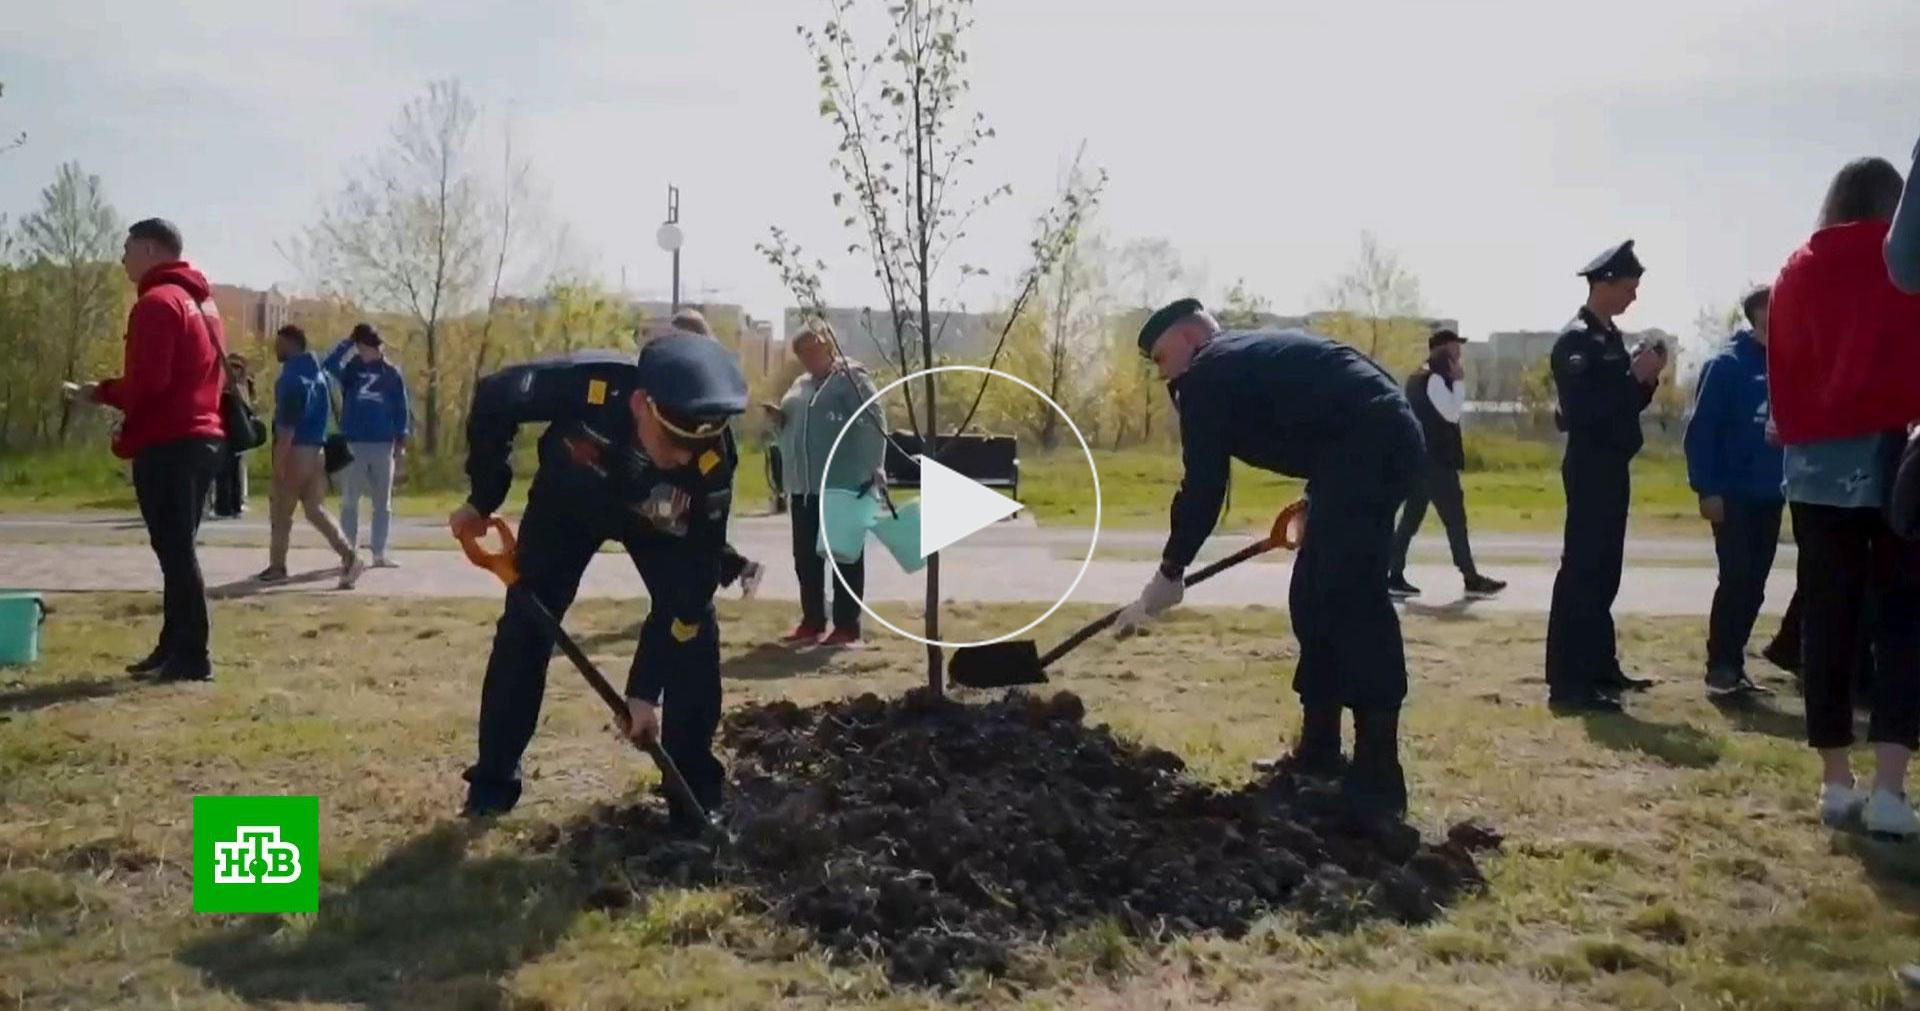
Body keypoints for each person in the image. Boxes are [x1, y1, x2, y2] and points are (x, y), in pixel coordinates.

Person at [1116, 298, 1423, 825]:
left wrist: (1170, 571)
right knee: (1312, 597)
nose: (1163, 376)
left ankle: (1378, 776)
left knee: (1353, 602)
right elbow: (1333, 401)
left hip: (1369, 449)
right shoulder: (1244, 356)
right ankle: (1319, 751)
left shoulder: (1207, 373)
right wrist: (1319, 495)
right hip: (1362, 447)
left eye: (1162, 359)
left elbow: (1204, 486)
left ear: (1188, 338)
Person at [448, 336, 747, 827]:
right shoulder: (590, 385)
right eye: (674, 443)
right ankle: (492, 785)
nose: (683, 459)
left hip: (658, 525)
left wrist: (644, 689)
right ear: (641, 404)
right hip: (568, 505)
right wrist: (484, 496)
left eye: (694, 449)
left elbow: (692, 585)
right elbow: (494, 397)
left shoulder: (711, 462)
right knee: (525, 627)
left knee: (694, 634)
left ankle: (694, 793)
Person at [1769, 156, 1920, 838]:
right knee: (1903, 620)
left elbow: (1784, 365)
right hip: (1896, 455)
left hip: (1815, 464)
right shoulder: (1905, 261)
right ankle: (1891, 787)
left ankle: (1835, 782)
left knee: (1827, 616)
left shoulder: (1796, 270)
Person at [70, 218, 226, 682]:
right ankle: (173, 645)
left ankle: (192, 654)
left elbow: (149, 382)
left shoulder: (157, 303)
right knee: (178, 549)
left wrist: (100, 392)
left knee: (175, 550)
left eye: (127, 248)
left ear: (151, 249)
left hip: (171, 440)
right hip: (203, 436)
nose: (122, 258)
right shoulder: (202, 303)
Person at [1543, 240, 1667, 714]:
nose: (1634, 296)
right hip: (1590, 465)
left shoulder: (1609, 337)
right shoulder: (1575, 341)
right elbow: (1582, 412)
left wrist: (1645, 380)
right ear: (1605, 284)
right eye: (1629, 287)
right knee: (1583, 569)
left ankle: (1599, 666)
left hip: (1613, 465)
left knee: (1605, 571)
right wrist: (1630, 378)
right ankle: (1569, 680)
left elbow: (1622, 405)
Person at [1684, 286, 1785, 700]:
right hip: (1733, 494)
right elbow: (1701, 432)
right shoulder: (1727, 365)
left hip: (1771, 492)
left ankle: (1735, 662)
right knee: (1736, 579)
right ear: (1758, 316)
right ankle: (1720, 667)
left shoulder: (1787, 361)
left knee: (1756, 583)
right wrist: (1707, 489)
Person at [769, 319, 886, 647]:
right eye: (801, 353)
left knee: (843, 557)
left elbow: (874, 421)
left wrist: (874, 467)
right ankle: (813, 621)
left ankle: (847, 626)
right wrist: (780, 420)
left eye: (812, 350)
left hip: (842, 484)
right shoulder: (801, 384)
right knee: (805, 558)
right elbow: (796, 425)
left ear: (828, 346)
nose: (807, 358)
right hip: (804, 486)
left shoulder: (851, 378)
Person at [1388, 328, 1505, 599]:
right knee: (1454, 519)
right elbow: (1451, 414)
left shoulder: (1420, 375)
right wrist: (1459, 382)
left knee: (1410, 521)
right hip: (1436, 462)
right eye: (1455, 345)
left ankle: (1392, 574)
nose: (1459, 351)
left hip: (1421, 460)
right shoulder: (1434, 378)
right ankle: (1470, 577)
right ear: (1442, 348)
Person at [261, 324, 364, 589]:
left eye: (280, 343)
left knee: (281, 512)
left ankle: (277, 567)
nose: (276, 348)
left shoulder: (292, 379)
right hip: (318, 451)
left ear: (292, 344)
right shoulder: (318, 375)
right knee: (315, 510)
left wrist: (279, 462)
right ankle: (350, 555)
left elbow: (287, 426)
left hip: (295, 450)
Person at [321, 323, 410, 568]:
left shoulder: (391, 373)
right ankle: (349, 552)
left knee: (382, 502)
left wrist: (401, 441)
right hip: (354, 442)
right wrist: (348, 342)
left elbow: (401, 409)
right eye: (362, 347)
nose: (367, 352)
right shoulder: (352, 370)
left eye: (370, 347)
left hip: (383, 443)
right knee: (350, 500)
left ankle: (379, 552)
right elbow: (329, 364)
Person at [209, 353, 255, 520]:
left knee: (231, 471)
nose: (235, 370)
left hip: (234, 434)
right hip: (227, 433)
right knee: (226, 470)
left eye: (238, 367)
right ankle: (226, 506)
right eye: (232, 367)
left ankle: (231, 506)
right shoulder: (225, 389)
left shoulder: (238, 389)